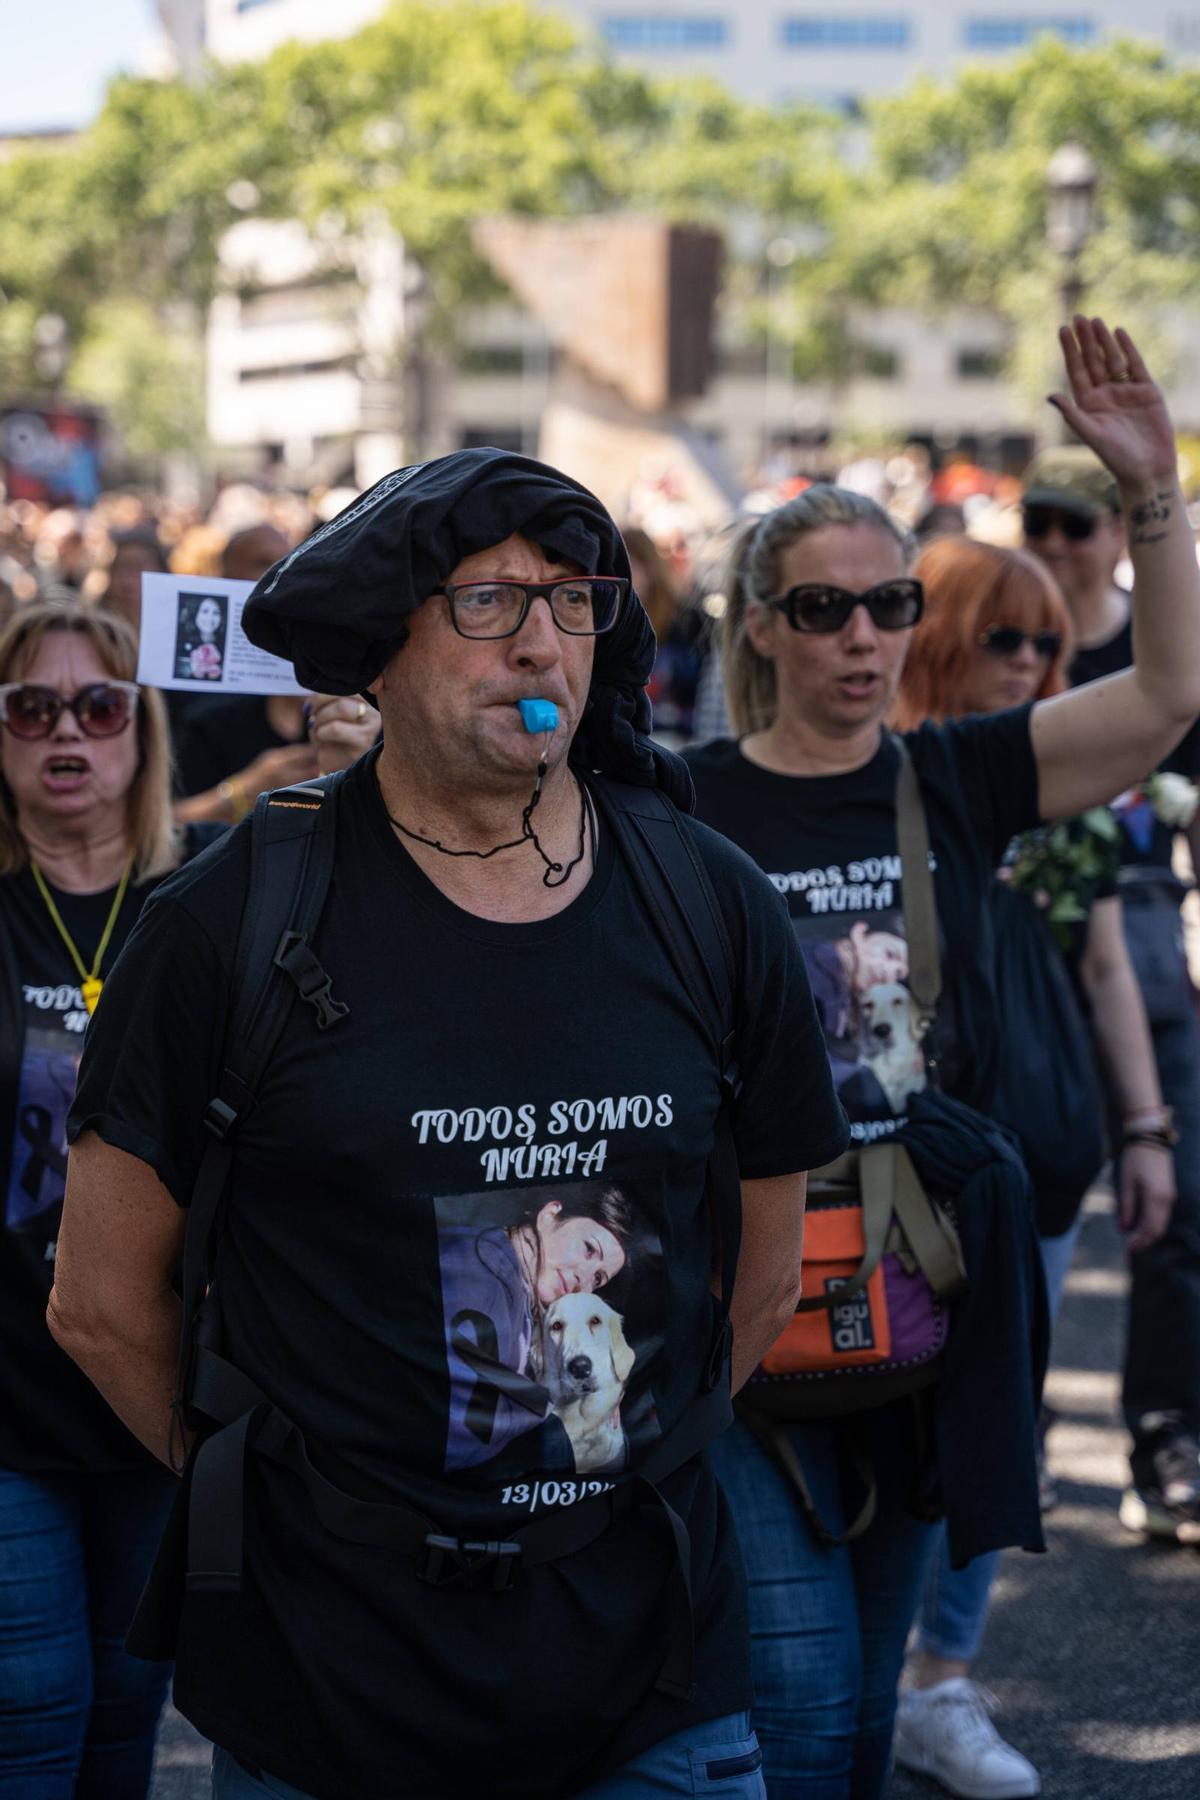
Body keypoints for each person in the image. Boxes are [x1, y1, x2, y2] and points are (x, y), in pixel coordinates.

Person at [51, 447, 849, 1799]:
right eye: (486, 603)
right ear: (378, 647)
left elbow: (766, 1260)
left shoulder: (706, 898)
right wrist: (276, 1486)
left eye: (572, 600)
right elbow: (100, 1303)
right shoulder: (224, 929)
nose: (540, 640)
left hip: (651, 1672)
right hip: (332, 1684)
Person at [683, 317, 1200, 1798]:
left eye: (890, 604)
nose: (864, 638)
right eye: (826, 610)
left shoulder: (960, 774)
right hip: (751, 1292)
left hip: (925, 1293)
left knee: (855, 1693)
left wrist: (1154, 494)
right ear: (764, 626)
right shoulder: (678, 799)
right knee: (792, 1683)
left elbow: (1168, 694)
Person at [889, 534, 1175, 1800]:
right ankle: (854, 1675)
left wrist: (1148, 1129)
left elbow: (1109, 964)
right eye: (1001, 638)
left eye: (1048, 644)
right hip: (891, 1157)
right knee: (868, 1406)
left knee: (1001, 1410)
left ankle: (940, 1681)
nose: (1027, 664)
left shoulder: (1066, 781)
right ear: (939, 634)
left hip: (1037, 1152)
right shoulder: (876, 773)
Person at [0, 602, 207, 1797]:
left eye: (99, 704)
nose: (65, 729)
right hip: (8, 1387)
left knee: (127, 1720)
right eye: (31, 707)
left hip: (155, 1383)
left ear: (142, 729)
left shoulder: (210, 903)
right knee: (29, 1720)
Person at [1021, 442, 1200, 1543]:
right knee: (1015, 1205)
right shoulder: (1002, 618)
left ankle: (1166, 1430)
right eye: (1034, 519)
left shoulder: (1155, 636)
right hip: (1016, 931)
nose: (1049, 543)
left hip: (1137, 924)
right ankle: (1012, 1434)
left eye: (1071, 522)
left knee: (1174, 1195)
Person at [172, 523, 378, 822]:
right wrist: (242, 792)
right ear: (226, 580)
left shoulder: (363, 711)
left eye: (296, 561)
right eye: (263, 564)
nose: (284, 578)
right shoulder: (203, 716)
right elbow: (163, 829)